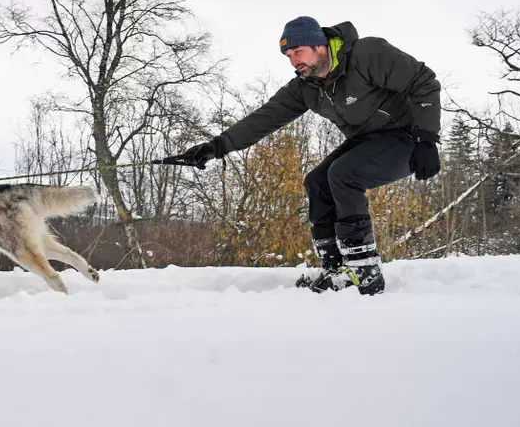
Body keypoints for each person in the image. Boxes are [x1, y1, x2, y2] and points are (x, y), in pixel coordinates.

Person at [165, 16, 441, 295]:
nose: (293, 61)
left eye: (298, 52)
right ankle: (333, 268)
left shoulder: (366, 54)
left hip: (409, 138)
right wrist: (215, 147)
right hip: (368, 143)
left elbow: (423, 80)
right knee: (317, 182)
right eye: (288, 55)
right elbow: (264, 118)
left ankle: (364, 272)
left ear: (320, 46)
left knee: (343, 175)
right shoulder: (306, 87)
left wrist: (427, 138)